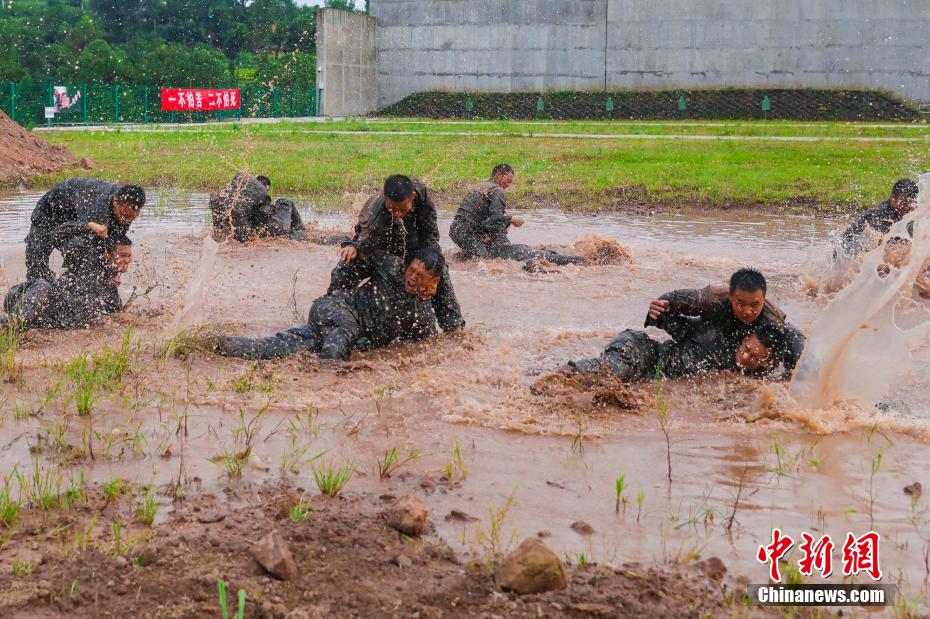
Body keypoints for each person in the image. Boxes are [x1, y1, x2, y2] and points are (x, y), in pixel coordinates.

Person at [566, 269, 805, 381]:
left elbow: (798, 350)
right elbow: (673, 310)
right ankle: (563, 375)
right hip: (642, 352)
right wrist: (659, 311)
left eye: (754, 359)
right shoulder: (711, 320)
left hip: (651, 374)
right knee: (607, 373)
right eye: (746, 350)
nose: (748, 311)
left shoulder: (774, 326)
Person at [214, 246, 446, 361]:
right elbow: (358, 253)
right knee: (342, 337)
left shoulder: (423, 314)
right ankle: (325, 382)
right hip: (335, 309)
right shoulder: (389, 266)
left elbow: (420, 350)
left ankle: (215, 344)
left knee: (273, 349)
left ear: (434, 280)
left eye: (420, 276)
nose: (411, 278)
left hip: (341, 334)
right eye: (411, 270)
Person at [330, 174, 464, 332]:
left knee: (436, 263)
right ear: (385, 199)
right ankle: (332, 309)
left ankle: (454, 327)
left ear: (412, 197)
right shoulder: (376, 214)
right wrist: (353, 246)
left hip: (410, 237)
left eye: (402, 209)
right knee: (348, 263)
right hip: (378, 243)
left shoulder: (421, 193)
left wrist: (432, 279)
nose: (398, 214)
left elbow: (430, 239)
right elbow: (364, 242)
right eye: (392, 208)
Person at [450, 164, 585, 266]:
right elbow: (493, 220)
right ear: (498, 175)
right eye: (508, 180)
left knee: (484, 254)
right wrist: (511, 219)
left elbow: (485, 220)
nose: (508, 185)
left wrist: (500, 226)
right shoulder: (498, 191)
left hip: (457, 230)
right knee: (486, 261)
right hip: (467, 233)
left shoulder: (481, 186)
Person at [25, 178, 145, 281]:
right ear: (115, 202)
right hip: (49, 215)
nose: (126, 220)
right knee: (37, 269)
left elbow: (113, 244)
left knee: (96, 259)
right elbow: (71, 231)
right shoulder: (97, 204)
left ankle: (74, 288)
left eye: (132, 217)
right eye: (124, 215)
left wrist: (113, 273)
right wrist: (90, 226)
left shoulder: (127, 204)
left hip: (77, 216)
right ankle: (66, 284)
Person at [4, 235, 132, 331]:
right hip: (22, 297)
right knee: (44, 287)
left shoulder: (112, 293)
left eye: (129, 256)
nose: (127, 260)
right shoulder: (87, 266)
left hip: (46, 319)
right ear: (106, 255)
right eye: (122, 255)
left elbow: (116, 318)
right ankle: (9, 325)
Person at [210, 173, 308, 242]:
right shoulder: (260, 194)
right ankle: (300, 232)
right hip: (276, 229)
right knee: (284, 202)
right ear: (266, 187)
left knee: (222, 235)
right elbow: (265, 214)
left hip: (219, 205)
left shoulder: (234, 190)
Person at [839, 178, 919, 257]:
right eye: (904, 204)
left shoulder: (905, 214)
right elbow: (877, 248)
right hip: (848, 251)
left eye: (911, 204)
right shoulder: (881, 215)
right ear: (893, 198)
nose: (907, 208)